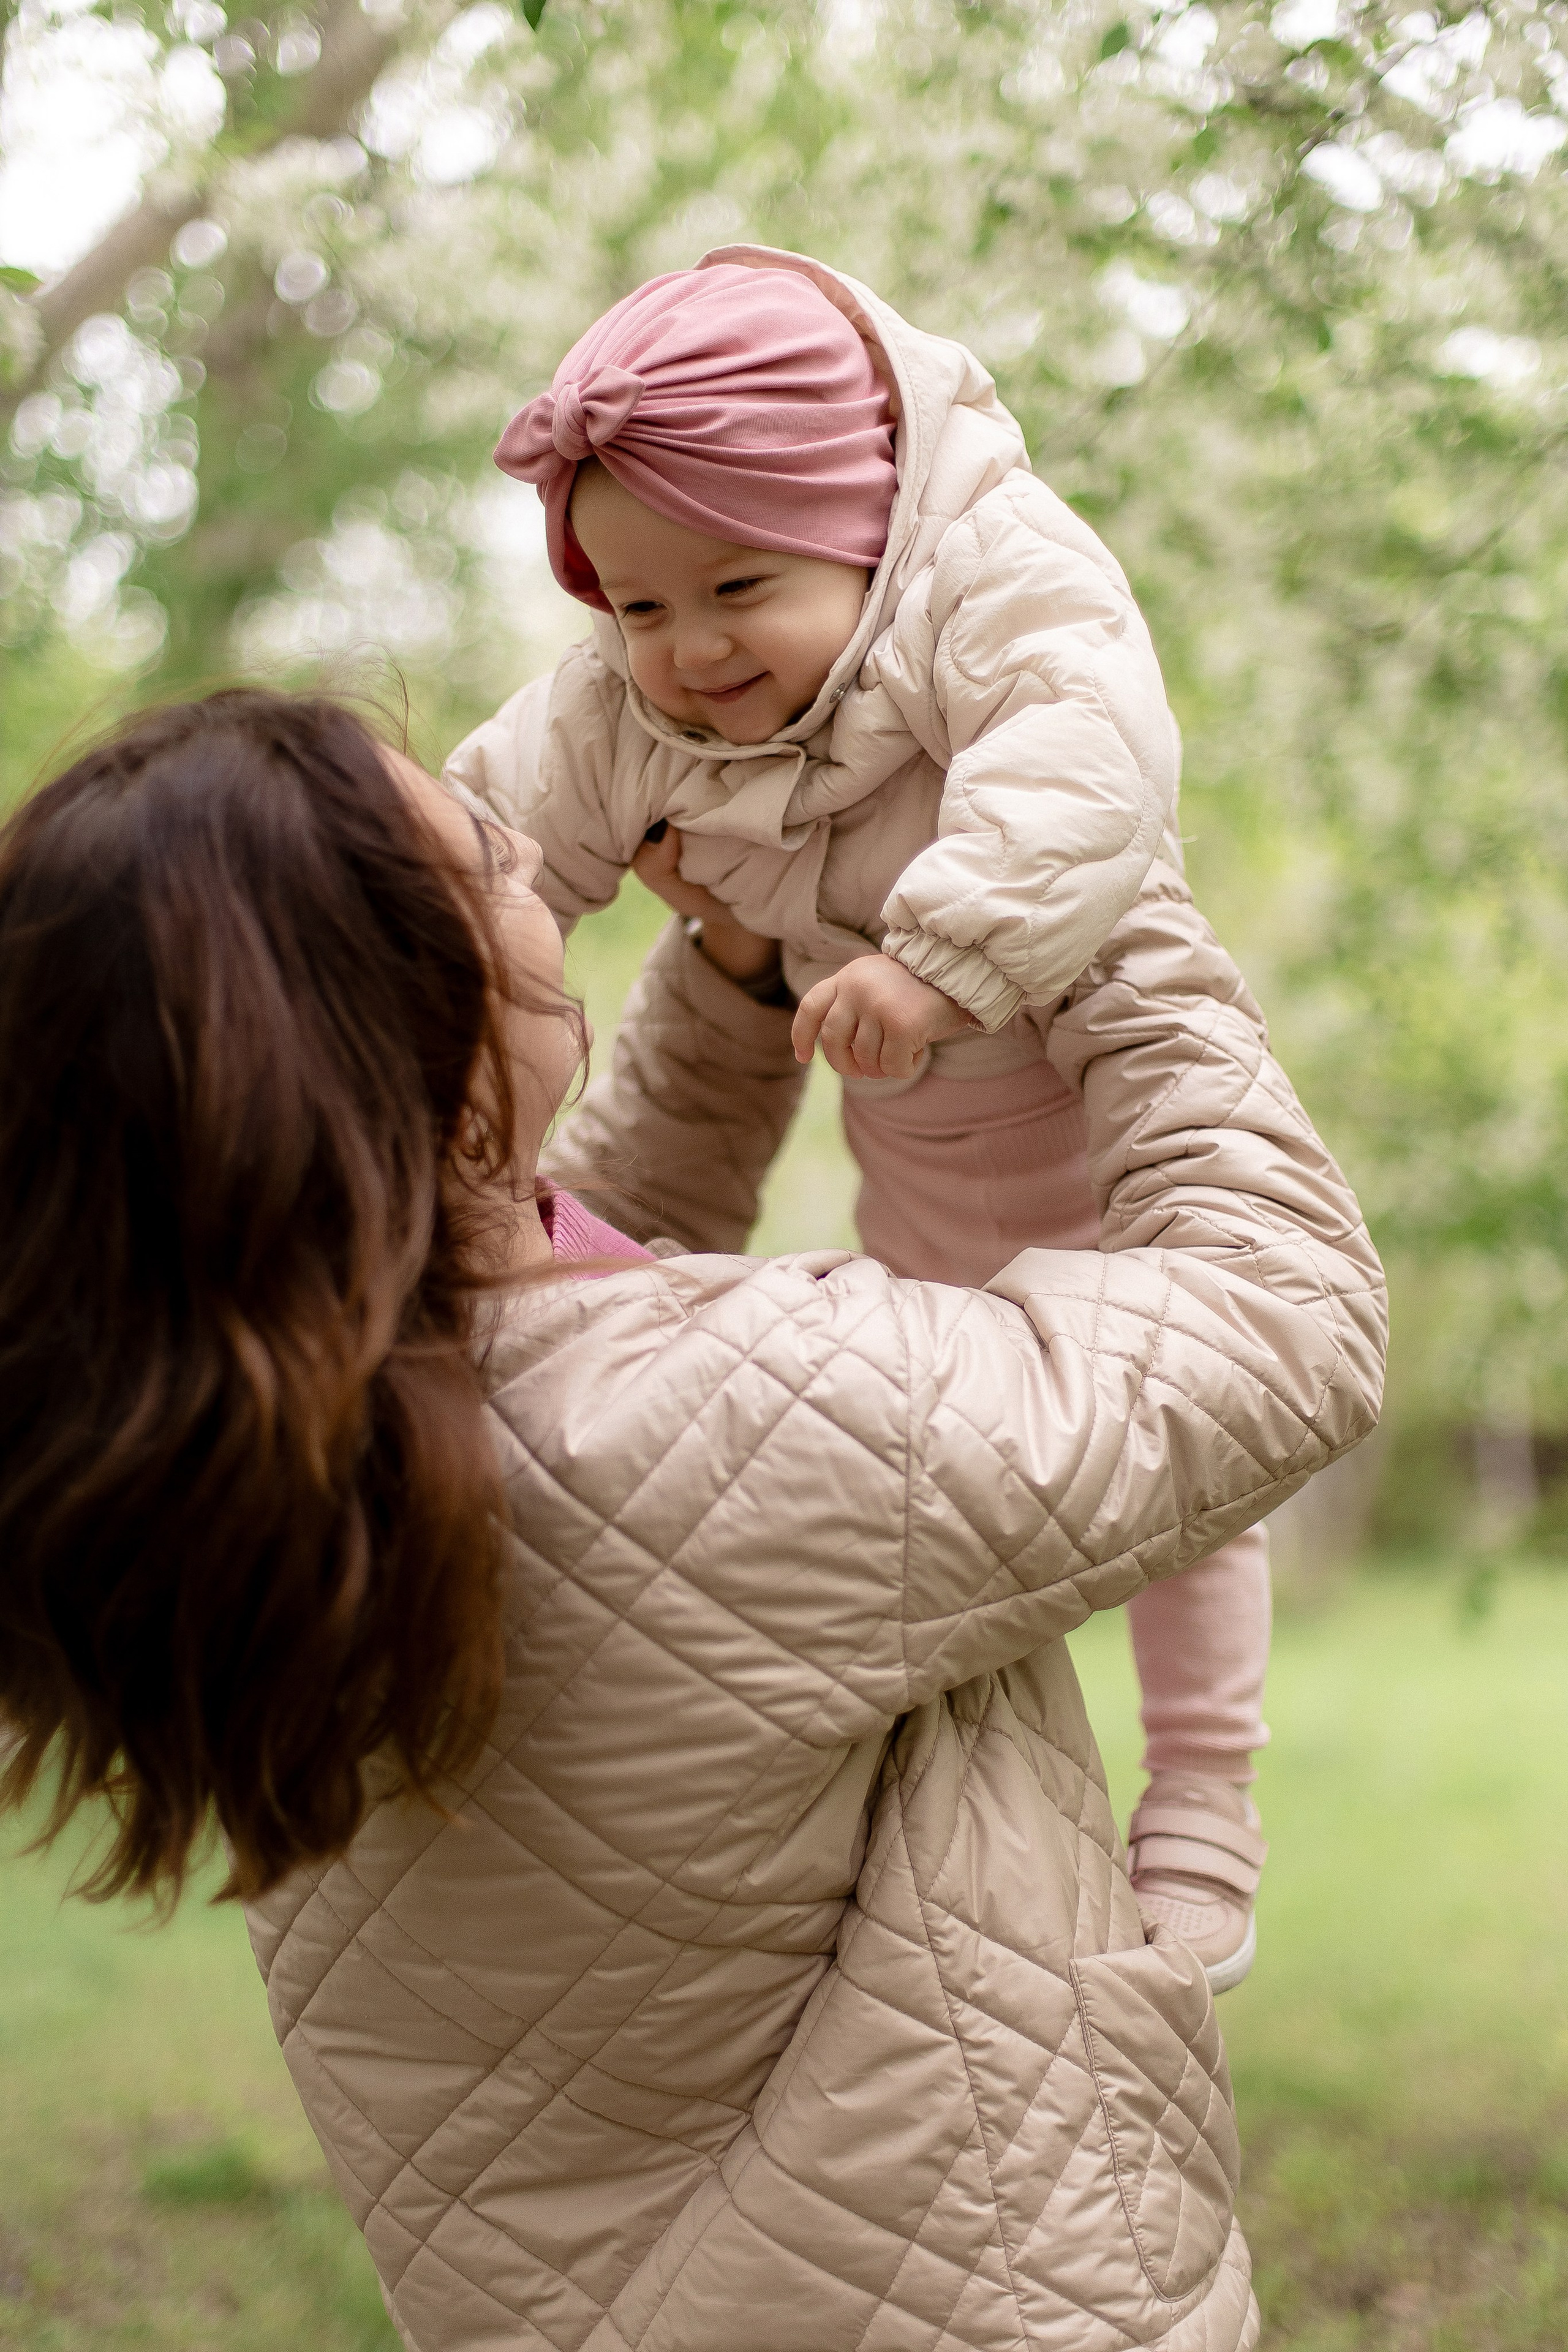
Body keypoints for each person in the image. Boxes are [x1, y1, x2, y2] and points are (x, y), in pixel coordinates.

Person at [0, 689, 1383, 2352]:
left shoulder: (263, 1478)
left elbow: (578, 1298)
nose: (547, 867)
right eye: (497, 861)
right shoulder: (722, 1427)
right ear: (416, 1045)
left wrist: (739, 994)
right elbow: (1289, 1318)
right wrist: (1082, 891)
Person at [449, 246, 1276, 1988]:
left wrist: (946, 954)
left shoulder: (991, 573)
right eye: (635, 607)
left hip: (1109, 1133)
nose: (685, 653)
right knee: (975, 1491)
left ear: (872, 520)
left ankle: (1203, 1800)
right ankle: (966, 1836)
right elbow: (490, 837)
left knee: (1197, 1492)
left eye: (737, 586)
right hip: (930, 1200)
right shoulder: (639, 691)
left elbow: (1089, 742)